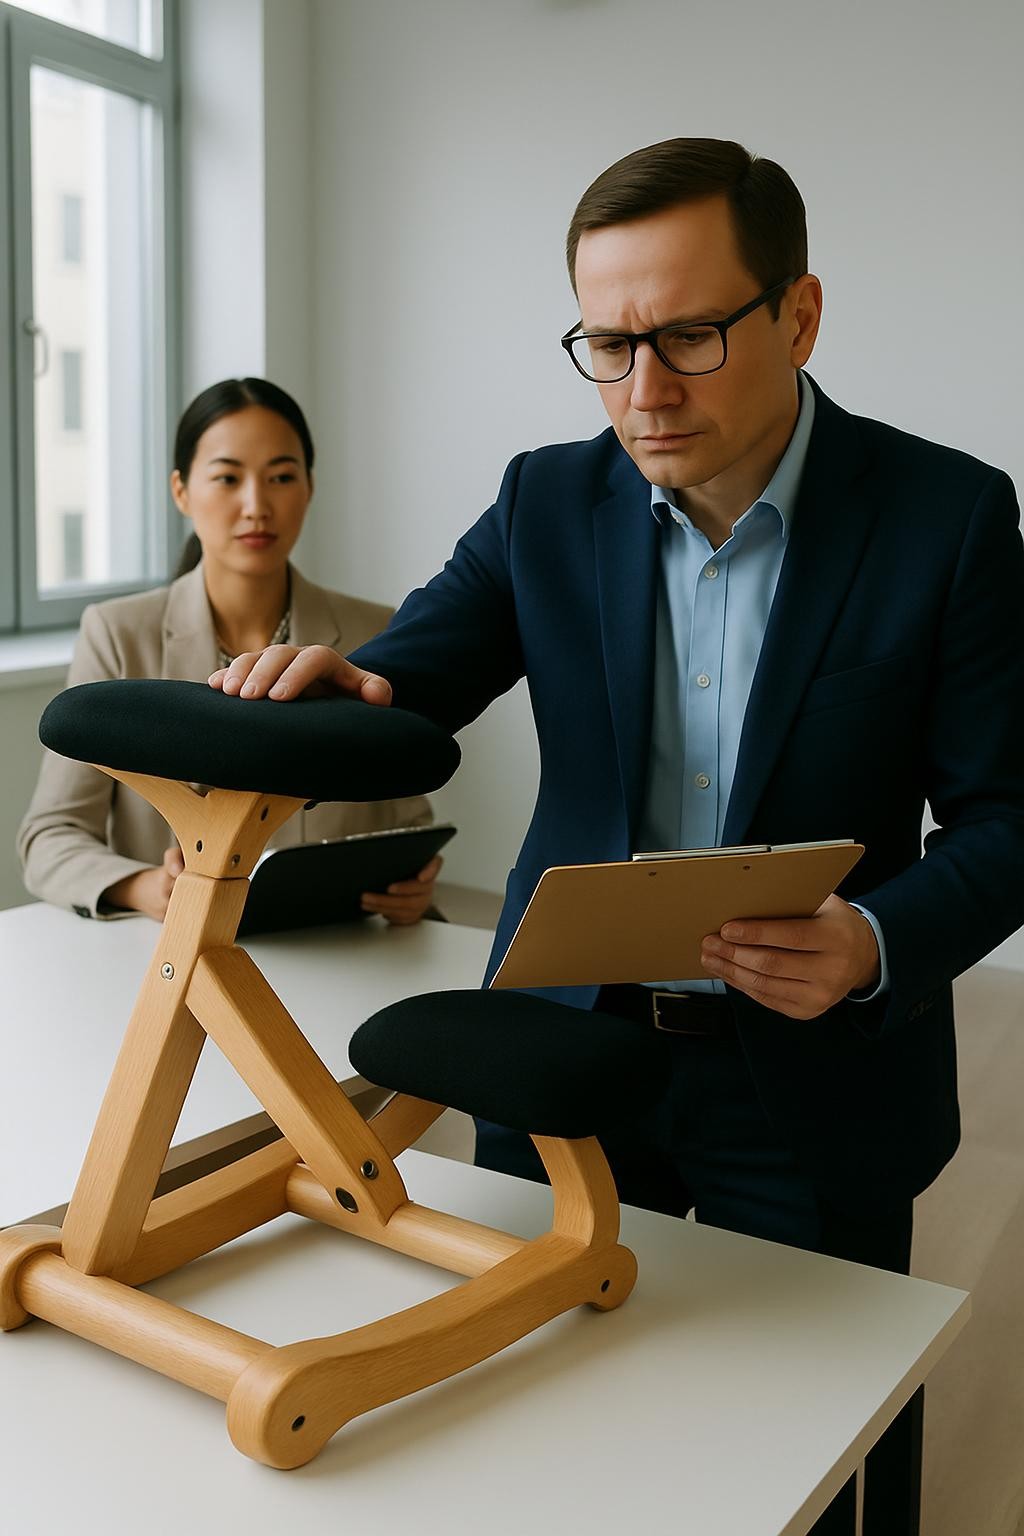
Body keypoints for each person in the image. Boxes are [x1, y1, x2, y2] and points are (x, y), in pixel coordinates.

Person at [204, 141, 1024, 1534]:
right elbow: (415, 670)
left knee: (817, 1454)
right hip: (565, 1053)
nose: (644, 390)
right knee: (552, 1434)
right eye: (608, 341)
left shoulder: (945, 517)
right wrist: (355, 684)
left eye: (690, 336)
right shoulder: (546, 500)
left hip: (815, 1072)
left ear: (800, 316)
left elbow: (1010, 817)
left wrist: (877, 941)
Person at [18, 377, 442, 926]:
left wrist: (414, 887)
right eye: (226, 478)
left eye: (281, 477)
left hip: (341, 944)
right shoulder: (118, 632)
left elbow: (409, 820)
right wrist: (146, 887)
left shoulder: (376, 629)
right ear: (181, 491)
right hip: (175, 957)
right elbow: (51, 836)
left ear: (309, 487)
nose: (256, 505)